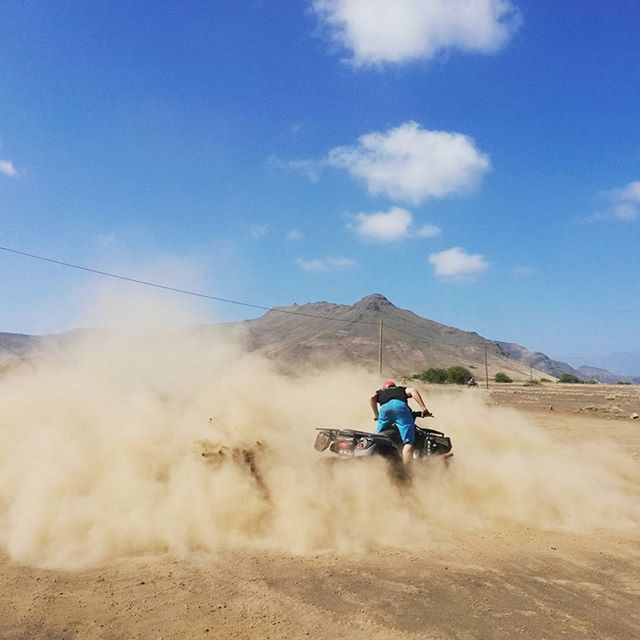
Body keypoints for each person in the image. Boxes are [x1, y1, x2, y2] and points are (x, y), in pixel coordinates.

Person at [370, 380, 431, 466]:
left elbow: (372, 397)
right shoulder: (400, 389)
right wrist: (423, 408)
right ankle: (406, 470)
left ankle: (374, 458)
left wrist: (377, 415)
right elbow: (413, 390)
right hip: (401, 408)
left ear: (384, 388)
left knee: (378, 437)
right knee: (408, 442)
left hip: (385, 410)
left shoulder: (381, 392)